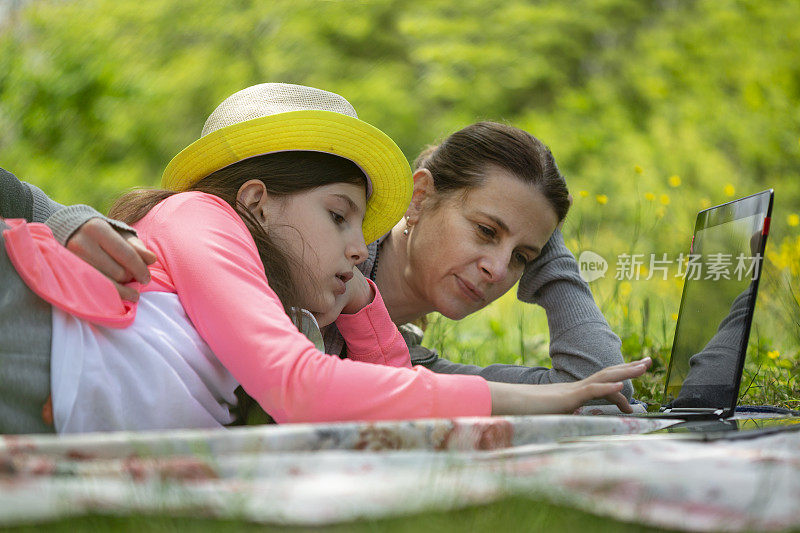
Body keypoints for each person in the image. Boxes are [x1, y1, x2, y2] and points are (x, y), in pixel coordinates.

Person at [0, 83, 649, 434]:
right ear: (255, 200)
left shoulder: (301, 306)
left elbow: (404, 399)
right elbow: (302, 386)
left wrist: (363, 307)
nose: (357, 243)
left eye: (522, 257)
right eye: (340, 216)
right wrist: (64, 216)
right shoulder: (202, 218)